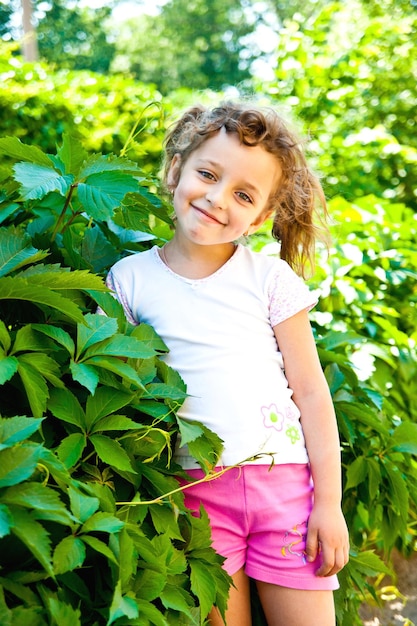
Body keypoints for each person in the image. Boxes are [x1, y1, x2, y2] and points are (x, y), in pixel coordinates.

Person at [105, 101, 349, 625]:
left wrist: (329, 504)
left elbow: (311, 393)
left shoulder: (270, 280)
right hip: (192, 495)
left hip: (284, 488)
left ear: (261, 217)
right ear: (176, 171)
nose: (217, 199)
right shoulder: (127, 280)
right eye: (207, 174)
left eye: (242, 194)